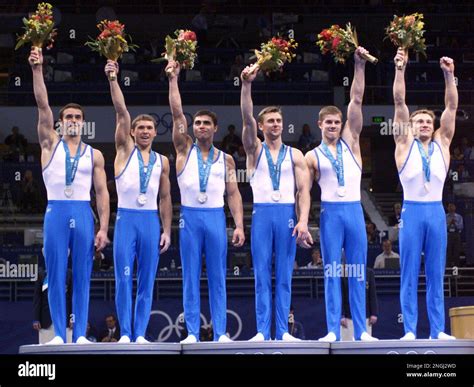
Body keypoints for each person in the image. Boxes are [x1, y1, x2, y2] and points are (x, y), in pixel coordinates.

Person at [29, 47, 110, 345]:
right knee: (55, 274)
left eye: (78, 116)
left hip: (82, 212)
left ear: (83, 122)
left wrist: (102, 228)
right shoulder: (49, 144)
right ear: (61, 123)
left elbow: (101, 193)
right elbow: (42, 105)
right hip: (56, 213)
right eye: (69, 117)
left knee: (82, 276)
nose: (73, 120)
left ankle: (81, 335)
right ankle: (59, 335)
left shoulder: (95, 155)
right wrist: (38, 69)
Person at [167, 59, 245, 343]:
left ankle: (222, 331)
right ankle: (191, 332)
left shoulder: (225, 159)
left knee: (217, 277)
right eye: (196, 123)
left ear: (215, 128)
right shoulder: (183, 150)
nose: (199, 127)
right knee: (190, 277)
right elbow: (176, 114)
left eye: (205, 123)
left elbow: (234, 194)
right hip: (189, 217)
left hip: (215, 216)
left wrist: (238, 225)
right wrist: (174, 78)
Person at [305, 47, 378, 342]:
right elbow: (305, 193)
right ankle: (333, 330)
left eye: (337, 122)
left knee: (358, 272)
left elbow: (356, 99)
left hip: (353, 212)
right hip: (330, 214)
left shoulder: (352, 141)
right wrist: (302, 222)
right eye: (329, 123)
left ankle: (361, 331)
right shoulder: (312, 156)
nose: (334, 126)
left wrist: (359, 65)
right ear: (320, 125)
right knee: (332, 272)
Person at [240, 65, 313, 342]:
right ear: (261, 126)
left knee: (284, 276)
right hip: (261, 215)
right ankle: (261, 331)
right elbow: (246, 118)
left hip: (287, 216)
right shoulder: (253, 149)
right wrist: (247, 85)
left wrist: (304, 220)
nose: (274, 125)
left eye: (278, 121)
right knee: (261, 275)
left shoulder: (296, 155)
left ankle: (282, 331)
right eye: (269, 121)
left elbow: (304, 191)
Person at [392, 48, 457, 340]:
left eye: (429, 121)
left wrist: (449, 75)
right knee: (408, 274)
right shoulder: (404, 142)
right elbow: (399, 100)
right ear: (411, 126)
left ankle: (438, 330)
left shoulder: (443, 142)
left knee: (435, 274)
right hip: (412, 211)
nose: (425, 124)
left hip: (435, 211)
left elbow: (452, 108)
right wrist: (400, 68)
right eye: (420, 121)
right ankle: (408, 330)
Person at [105, 60, 172, 344]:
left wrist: (167, 230)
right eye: (140, 127)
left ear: (156, 132)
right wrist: (113, 79)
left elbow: (166, 198)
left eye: (149, 127)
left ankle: (141, 333)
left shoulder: (162, 161)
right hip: (126, 220)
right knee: (124, 279)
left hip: (150, 221)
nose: (144, 131)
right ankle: (124, 333)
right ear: (131, 132)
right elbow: (121, 112)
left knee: (146, 282)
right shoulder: (123, 151)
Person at [33, 267, 73, 344]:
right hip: (46, 321)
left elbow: (72, 298)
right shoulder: (42, 274)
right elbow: (37, 298)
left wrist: (72, 319)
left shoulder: (69, 273)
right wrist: (36, 319)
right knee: (45, 350)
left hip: (65, 320)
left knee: (66, 350)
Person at [341, 267, 378, 341]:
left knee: (365, 346)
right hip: (348, 317)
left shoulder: (368, 272)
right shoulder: (344, 273)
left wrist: (374, 313)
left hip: (365, 316)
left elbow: (372, 294)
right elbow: (341, 296)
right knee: (348, 345)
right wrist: (341, 315)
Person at [446, 202, 463, 267]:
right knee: (448, 252)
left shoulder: (459, 217)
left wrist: (455, 223)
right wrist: (450, 223)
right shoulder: (445, 217)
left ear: (455, 207)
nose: (451, 208)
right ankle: (448, 268)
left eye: (452, 206)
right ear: (447, 208)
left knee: (456, 252)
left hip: (456, 235)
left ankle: (456, 269)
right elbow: (443, 227)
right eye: (449, 206)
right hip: (448, 235)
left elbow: (461, 227)